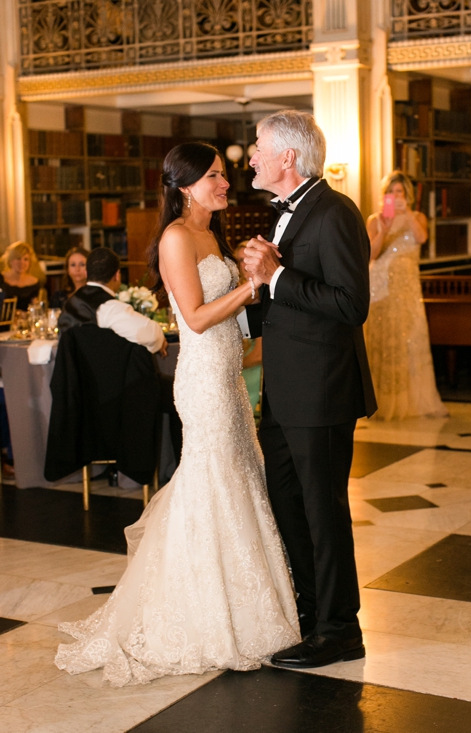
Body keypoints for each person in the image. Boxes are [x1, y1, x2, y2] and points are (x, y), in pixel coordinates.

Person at [55, 142, 300, 687]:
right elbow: (192, 316)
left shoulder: (212, 235)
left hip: (228, 379)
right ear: (185, 186)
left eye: (223, 175)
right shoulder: (174, 237)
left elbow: (232, 324)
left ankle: (246, 605)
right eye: (214, 176)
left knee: (239, 477)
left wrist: (256, 313)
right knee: (212, 482)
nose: (225, 183)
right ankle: (201, 615)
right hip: (203, 382)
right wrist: (253, 285)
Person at [242, 110, 377, 669]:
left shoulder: (335, 212)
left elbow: (351, 305)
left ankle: (341, 629)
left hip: (322, 392)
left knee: (323, 512)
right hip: (285, 391)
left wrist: (274, 277)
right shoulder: (286, 214)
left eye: (257, 146)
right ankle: (311, 613)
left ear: (287, 158)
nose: (249, 155)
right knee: (289, 506)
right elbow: (285, 306)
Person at [365, 171, 448, 420]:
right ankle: (382, 402)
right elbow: (371, 255)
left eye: (399, 192)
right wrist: (384, 229)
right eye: (390, 192)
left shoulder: (418, 216)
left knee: (410, 340)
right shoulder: (375, 219)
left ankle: (412, 401)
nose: (395, 196)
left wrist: (407, 213)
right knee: (384, 342)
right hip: (380, 287)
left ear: (407, 195)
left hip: (407, 288)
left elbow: (422, 237)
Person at [57, 247, 167, 356]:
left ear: (86, 273)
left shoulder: (69, 304)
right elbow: (153, 335)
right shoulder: (109, 307)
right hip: (103, 371)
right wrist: (159, 341)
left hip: (74, 371)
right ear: (117, 275)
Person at [233, 241, 263, 421]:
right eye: (239, 260)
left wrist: (231, 367)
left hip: (253, 369)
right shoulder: (236, 292)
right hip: (241, 365)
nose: (244, 264)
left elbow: (260, 355)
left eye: (248, 258)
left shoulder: (262, 294)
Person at [1, 241, 43, 310]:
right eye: (18, 258)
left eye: (26, 259)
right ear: (10, 260)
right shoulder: (1, 279)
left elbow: (34, 308)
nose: (22, 263)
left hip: (25, 319)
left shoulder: (34, 282)